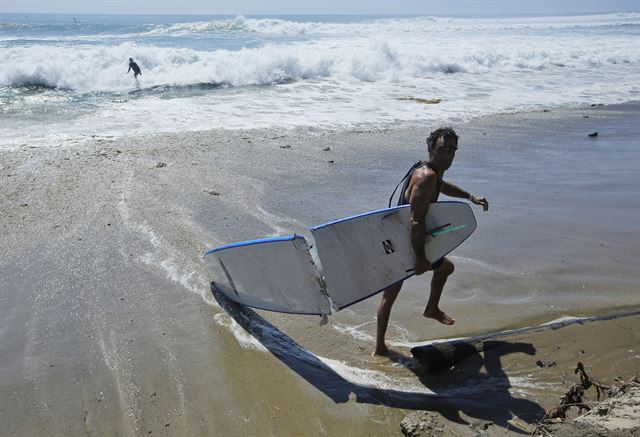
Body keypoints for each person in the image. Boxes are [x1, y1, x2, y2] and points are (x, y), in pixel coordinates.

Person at [374, 127, 489, 356]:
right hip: (407, 243)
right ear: (430, 148)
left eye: (452, 150)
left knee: (391, 294)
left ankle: (381, 346)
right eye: (442, 149)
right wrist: (420, 259)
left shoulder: (430, 171)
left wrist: (469, 196)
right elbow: (417, 222)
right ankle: (429, 310)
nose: (447, 155)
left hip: (398, 237)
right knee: (443, 269)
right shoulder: (426, 177)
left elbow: (442, 186)